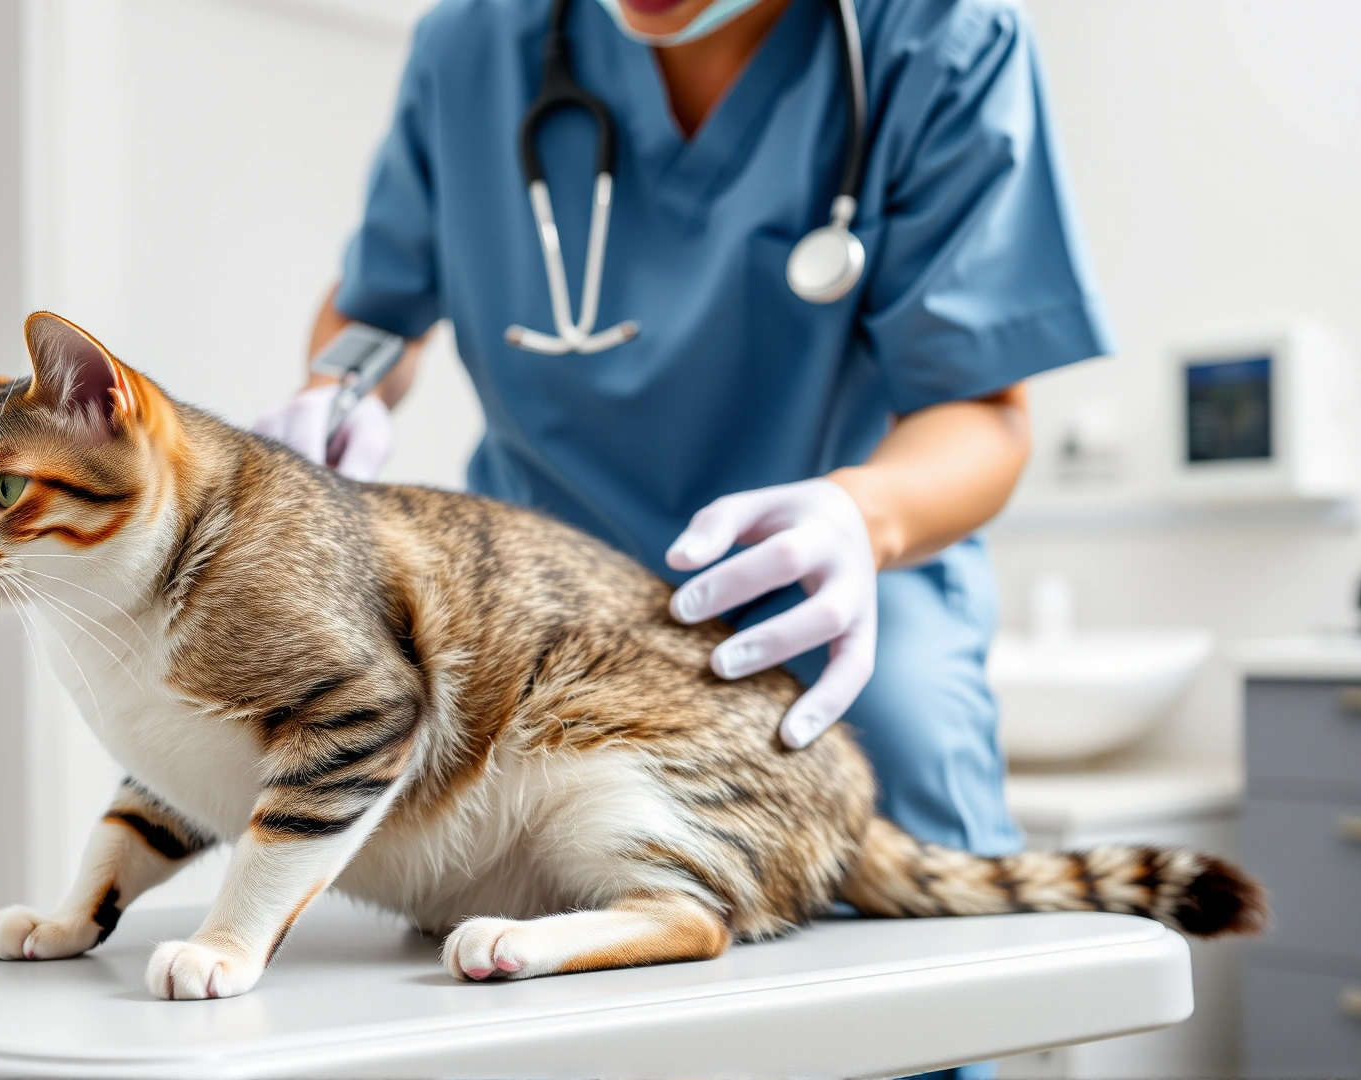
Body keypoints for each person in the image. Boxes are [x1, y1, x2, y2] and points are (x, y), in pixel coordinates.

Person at [257, 2, 1106, 1068]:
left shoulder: (937, 38)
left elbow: (981, 409)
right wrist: (338, 387)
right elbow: (376, 307)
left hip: (820, 617)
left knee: (905, 866)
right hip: (539, 629)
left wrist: (863, 512)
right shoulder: (475, 43)